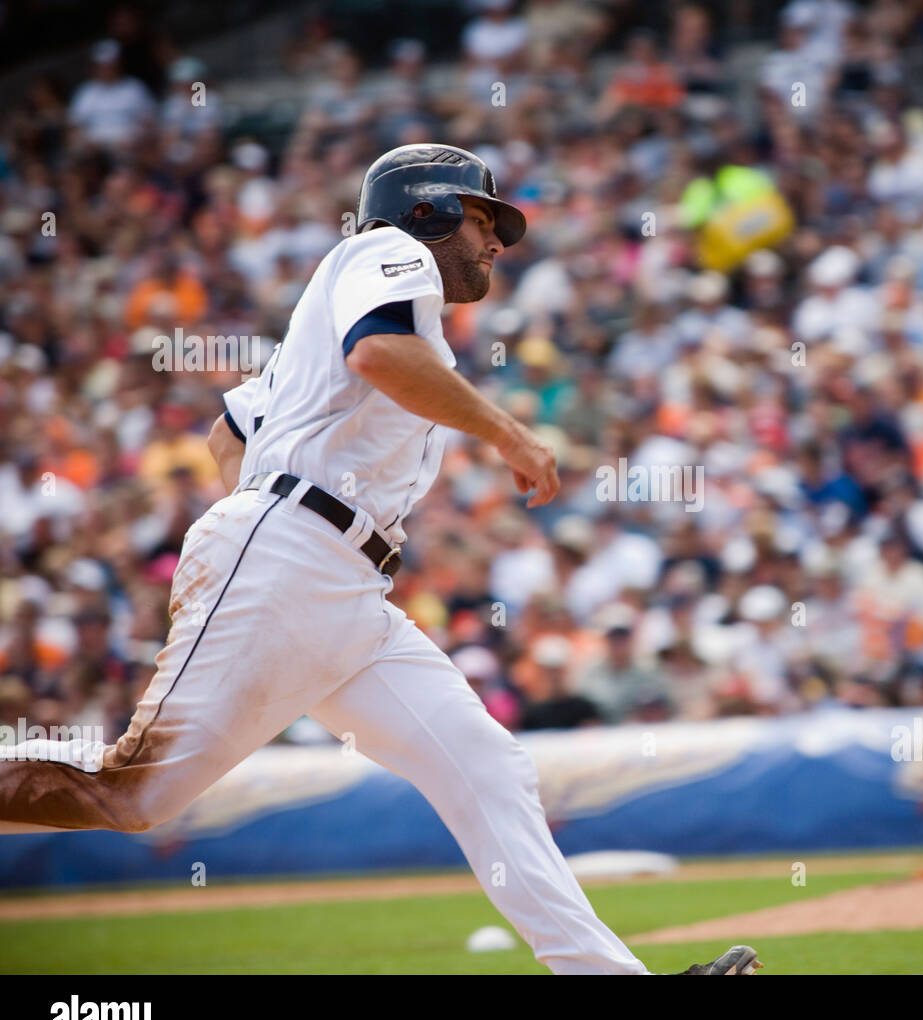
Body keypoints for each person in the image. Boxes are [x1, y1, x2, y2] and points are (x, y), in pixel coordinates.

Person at [0, 144, 758, 978]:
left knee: (488, 765)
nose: (496, 241)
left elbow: (229, 435)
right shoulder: (386, 253)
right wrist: (503, 434)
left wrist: (269, 513)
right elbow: (379, 355)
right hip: (291, 556)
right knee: (132, 797)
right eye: (481, 219)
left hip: (338, 585)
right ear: (427, 210)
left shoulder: (323, 331)